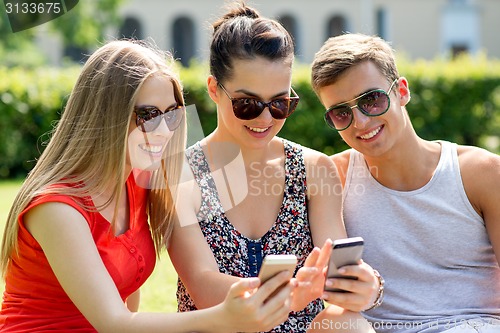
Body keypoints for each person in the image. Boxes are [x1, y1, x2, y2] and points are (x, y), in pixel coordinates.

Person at [0, 39, 297, 332]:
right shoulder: (57, 208)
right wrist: (223, 317)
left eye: (172, 114)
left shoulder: (139, 181)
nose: (165, 130)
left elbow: (128, 295)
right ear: (107, 115)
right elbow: (115, 322)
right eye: (149, 115)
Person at [168, 3, 381, 333]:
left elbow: (337, 277)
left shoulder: (314, 170)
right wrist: (294, 296)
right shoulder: (181, 174)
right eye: (247, 104)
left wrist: (363, 287)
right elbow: (205, 288)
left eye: (280, 103)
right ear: (214, 90)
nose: (265, 118)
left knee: (349, 322)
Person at [309, 33, 500, 332]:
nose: (359, 122)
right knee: (331, 323)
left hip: (469, 325)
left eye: (371, 100)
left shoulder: (481, 172)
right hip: (375, 328)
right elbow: (337, 297)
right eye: (341, 113)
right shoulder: (334, 177)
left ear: (401, 91)